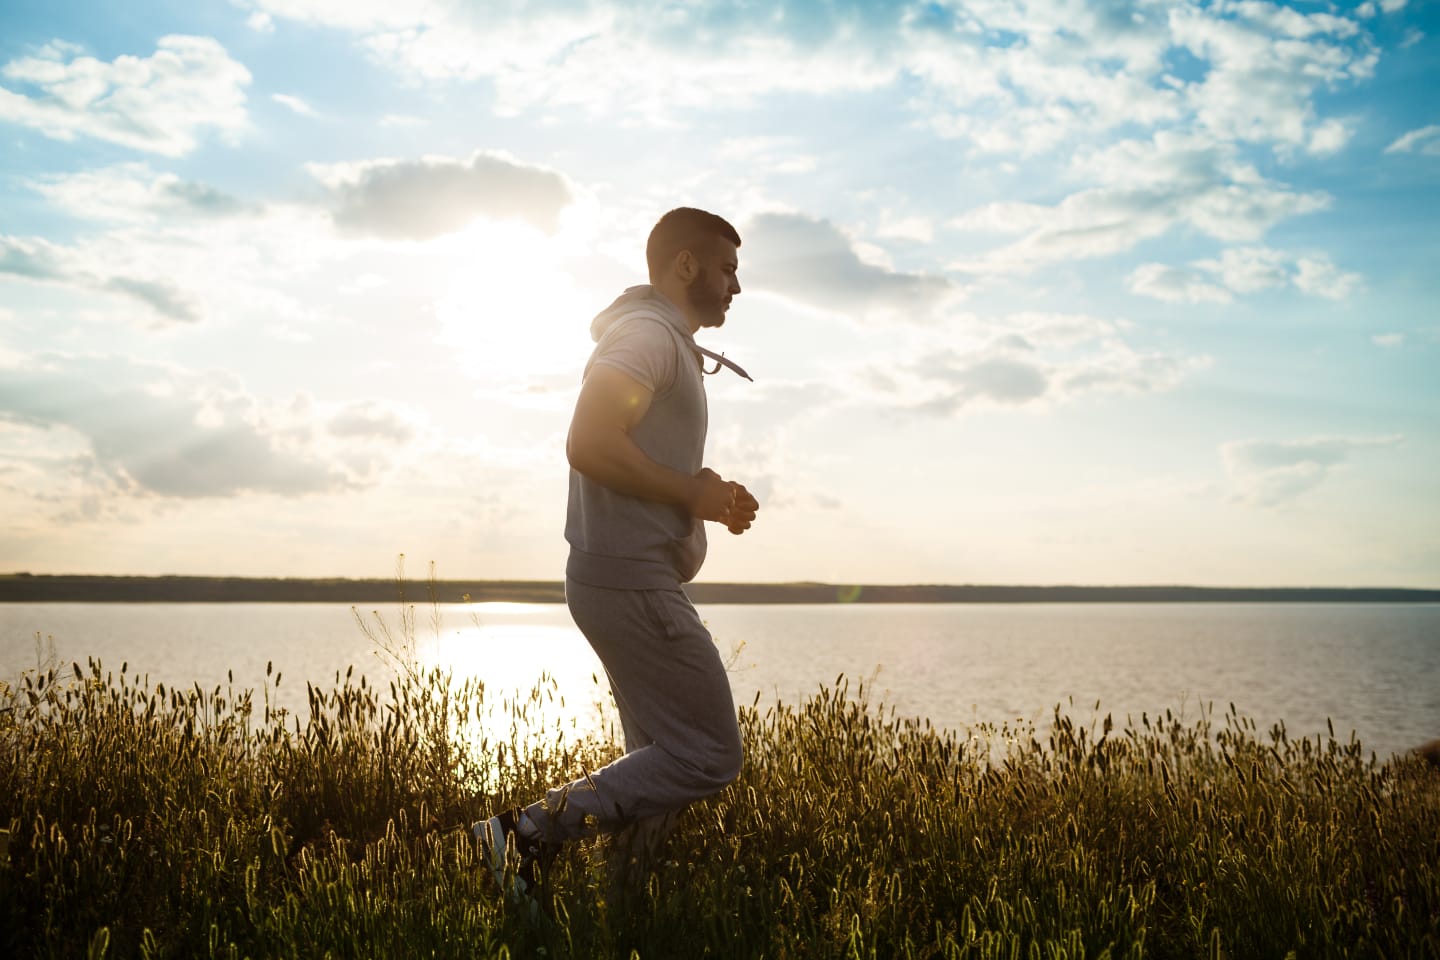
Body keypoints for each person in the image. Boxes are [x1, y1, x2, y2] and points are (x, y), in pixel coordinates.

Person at [475, 207, 759, 895]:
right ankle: (519, 835)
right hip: (630, 581)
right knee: (711, 753)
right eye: (727, 269)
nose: (736, 287)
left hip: (626, 574)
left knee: (658, 761)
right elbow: (590, 442)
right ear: (685, 265)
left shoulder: (662, 342)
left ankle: (622, 907)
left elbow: (635, 458)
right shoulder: (646, 337)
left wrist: (708, 497)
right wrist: (689, 495)